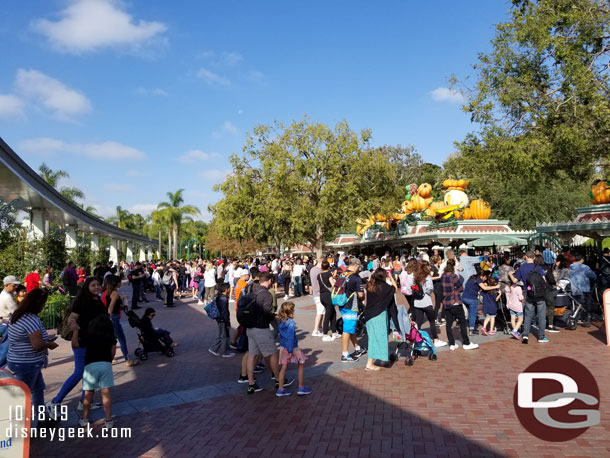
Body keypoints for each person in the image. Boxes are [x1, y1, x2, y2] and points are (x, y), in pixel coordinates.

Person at [47, 277, 107, 413]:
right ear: (87, 287)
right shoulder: (82, 301)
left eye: (98, 284)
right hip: (82, 341)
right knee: (79, 372)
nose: (97, 287)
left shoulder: (97, 300)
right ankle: (55, 401)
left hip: (95, 341)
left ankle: (85, 401)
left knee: (90, 373)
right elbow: (72, 317)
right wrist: (74, 327)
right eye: (93, 285)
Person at [7, 289, 59, 419]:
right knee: (23, 394)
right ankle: (20, 424)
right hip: (27, 362)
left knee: (37, 389)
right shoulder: (31, 319)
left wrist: (45, 338)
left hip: (18, 359)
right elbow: (37, 344)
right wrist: (48, 344)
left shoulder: (17, 314)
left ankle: (40, 418)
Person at [245, 272, 293, 394]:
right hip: (261, 328)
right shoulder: (267, 295)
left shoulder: (253, 292)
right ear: (269, 281)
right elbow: (266, 313)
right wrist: (274, 317)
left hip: (250, 328)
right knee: (272, 354)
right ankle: (278, 380)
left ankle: (251, 384)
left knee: (252, 355)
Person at [71, 314, 116, 429]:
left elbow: (75, 344)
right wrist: (108, 360)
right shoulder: (110, 336)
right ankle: (108, 420)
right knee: (106, 394)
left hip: (90, 366)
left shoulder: (89, 336)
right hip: (105, 365)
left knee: (88, 394)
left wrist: (75, 331)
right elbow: (113, 352)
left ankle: (85, 418)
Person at [509, 251, 549, 344]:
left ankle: (525, 335)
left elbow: (515, 280)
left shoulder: (522, 268)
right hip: (540, 295)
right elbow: (544, 280)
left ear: (525, 257)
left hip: (529, 294)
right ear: (534, 258)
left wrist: (511, 274)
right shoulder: (538, 267)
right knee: (541, 316)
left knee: (528, 315)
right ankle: (541, 336)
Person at [441, 259, 478, 351]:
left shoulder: (443, 276)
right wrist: (456, 289)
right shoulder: (454, 276)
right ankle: (466, 342)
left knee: (448, 323)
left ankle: (452, 343)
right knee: (462, 322)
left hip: (446, 302)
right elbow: (461, 287)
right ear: (454, 266)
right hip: (455, 301)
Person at [275, 301, 311, 396]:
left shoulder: (281, 321)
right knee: (301, 363)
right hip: (292, 347)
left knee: (283, 368)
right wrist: (290, 350)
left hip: (283, 347)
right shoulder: (291, 323)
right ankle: (301, 387)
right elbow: (290, 337)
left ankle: (280, 389)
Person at [362, 269, 395, 371]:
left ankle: (381, 359)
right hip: (379, 314)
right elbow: (395, 289)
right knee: (379, 338)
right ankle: (370, 363)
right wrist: (391, 277)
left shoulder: (370, 285)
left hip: (368, 314)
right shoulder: (385, 287)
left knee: (373, 337)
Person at [102, 275, 137, 367]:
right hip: (113, 318)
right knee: (121, 339)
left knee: (111, 340)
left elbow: (107, 305)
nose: (121, 283)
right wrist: (110, 319)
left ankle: (110, 358)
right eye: (120, 281)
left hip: (106, 317)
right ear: (115, 283)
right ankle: (127, 360)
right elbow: (111, 307)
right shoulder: (115, 293)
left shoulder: (105, 292)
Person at [411, 262, 446, 347]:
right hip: (426, 301)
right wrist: (426, 293)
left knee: (418, 322)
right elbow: (430, 288)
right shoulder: (427, 277)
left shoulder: (415, 278)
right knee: (432, 321)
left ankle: (416, 340)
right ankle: (435, 339)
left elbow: (411, 287)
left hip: (417, 302)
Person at [339, 259, 366, 362]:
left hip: (342, 304)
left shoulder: (343, 274)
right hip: (351, 306)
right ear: (357, 265)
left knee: (350, 328)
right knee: (347, 330)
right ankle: (345, 354)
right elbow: (361, 295)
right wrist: (363, 298)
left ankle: (357, 348)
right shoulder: (356, 277)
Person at [569, 254, 597, 323]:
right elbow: (593, 275)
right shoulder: (585, 267)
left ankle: (576, 316)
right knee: (584, 303)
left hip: (572, 288)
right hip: (583, 288)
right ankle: (583, 317)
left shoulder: (570, 266)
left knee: (575, 303)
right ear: (582, 259)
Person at [209, 283, 235, 357]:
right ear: (226, 289)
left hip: (219, 318)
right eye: (229, 288)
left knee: (223, 334)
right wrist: (227, 322)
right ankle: (224, 352)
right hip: (223, 319)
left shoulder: (219, 297)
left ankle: (217, 349)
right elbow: (225, 312)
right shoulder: (224, 299)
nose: (230, 289)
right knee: (224, 335)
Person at [318, 261, 339, 341]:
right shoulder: (328, 274)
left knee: (333, 312)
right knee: (328, 314)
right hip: (328, 296)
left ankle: (334, 332)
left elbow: (319, 286)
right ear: (328, 267)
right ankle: (325, 334)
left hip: (322, 295)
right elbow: (333, 285)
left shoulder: (319, 275)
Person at [309, 259, 324, 337]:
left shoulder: (312, 269)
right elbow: (319, 283)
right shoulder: (319, 271)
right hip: (319, 293)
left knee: (321, 311)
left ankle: (319, 327)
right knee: (320, 311)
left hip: (316, 293)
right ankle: (315, 330)